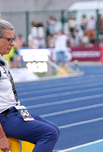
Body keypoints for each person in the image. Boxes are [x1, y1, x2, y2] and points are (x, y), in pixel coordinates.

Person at [0, 19, 59, 152]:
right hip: (4, 118)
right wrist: (2, 138)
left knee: (54, 129)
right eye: (9, 40)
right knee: (49, 134)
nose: (13, 44)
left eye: (13, 39)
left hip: (14, 112)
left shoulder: (2, 61)